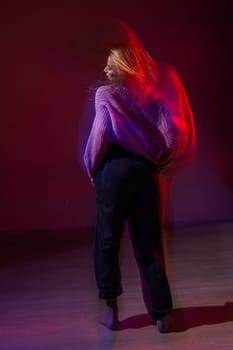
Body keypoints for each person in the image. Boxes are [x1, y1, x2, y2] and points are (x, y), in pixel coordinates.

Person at [83, 23, 196, 332]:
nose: (105, 68)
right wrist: (158, 161)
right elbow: (170, 137)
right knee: (149, 243)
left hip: (113, 173)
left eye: (110, 63)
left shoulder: (105, 95)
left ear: (122, 66)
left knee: (107, 241)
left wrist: (91, 168)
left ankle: (111, 311)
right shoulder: (149, 94)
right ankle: (162, 314)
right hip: (145, 173)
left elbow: (99, 136)